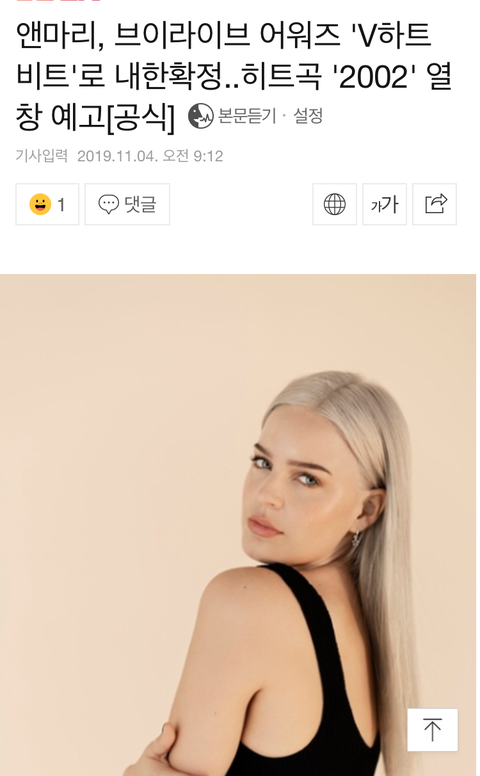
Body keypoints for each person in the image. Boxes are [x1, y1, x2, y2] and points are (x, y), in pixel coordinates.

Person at [123, 371, 421, 776]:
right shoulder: (379, 632)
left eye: (308, 478)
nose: (266, 494)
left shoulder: (245, 601)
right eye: (263, 462)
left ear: (366, 510)